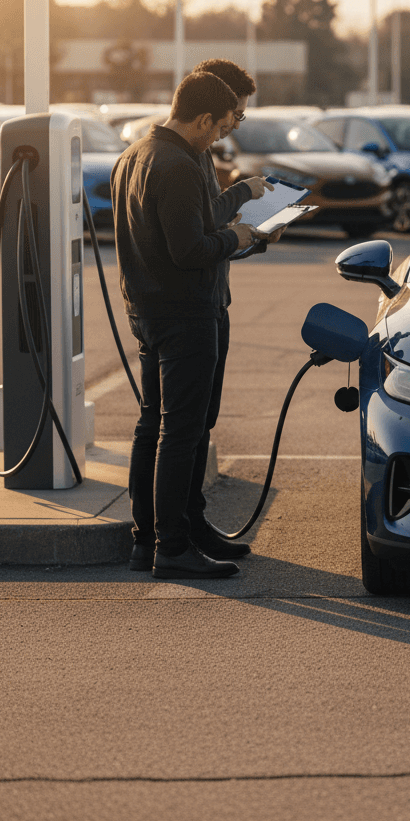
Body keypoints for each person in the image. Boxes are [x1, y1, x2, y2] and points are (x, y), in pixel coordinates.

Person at [112, 70, 271, 578]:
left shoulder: (135, 155)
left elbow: (185, 227)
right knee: (180, 433)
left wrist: (238, 203)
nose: (222, 136)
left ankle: (147, 541)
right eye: (222, 125)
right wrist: (240, 238)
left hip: (149, 310)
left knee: (152, 425)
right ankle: (172, 549)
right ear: (202, 118)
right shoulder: (178, 165)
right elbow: (192, 249)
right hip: (185, 314)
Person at [181, 58, 274, 561]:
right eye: (231, 117)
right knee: (183, 426)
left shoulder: (196, 153)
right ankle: (178, 532)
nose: (230, 128)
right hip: (190, 309)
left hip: (214, 298)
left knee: (199, 423)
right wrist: (242, 193)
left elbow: (210, 230)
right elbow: (198, 232)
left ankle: (189, 524)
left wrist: (253, 238)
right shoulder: (186, 155)